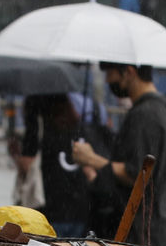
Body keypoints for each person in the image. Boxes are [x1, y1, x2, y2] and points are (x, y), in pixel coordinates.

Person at [72, 62, 166, 246]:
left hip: (139, 234)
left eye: (111, 73)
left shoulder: (144, 114)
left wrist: (90, 159)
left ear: (129, 72)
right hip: (160, 226)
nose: (107, 80)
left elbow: (137, 173)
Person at [13, 93, 111, 238]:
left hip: (50, 209)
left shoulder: (38, 124)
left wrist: (15, 154)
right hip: (83, 210)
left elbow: (27, 165)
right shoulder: (84, 118)